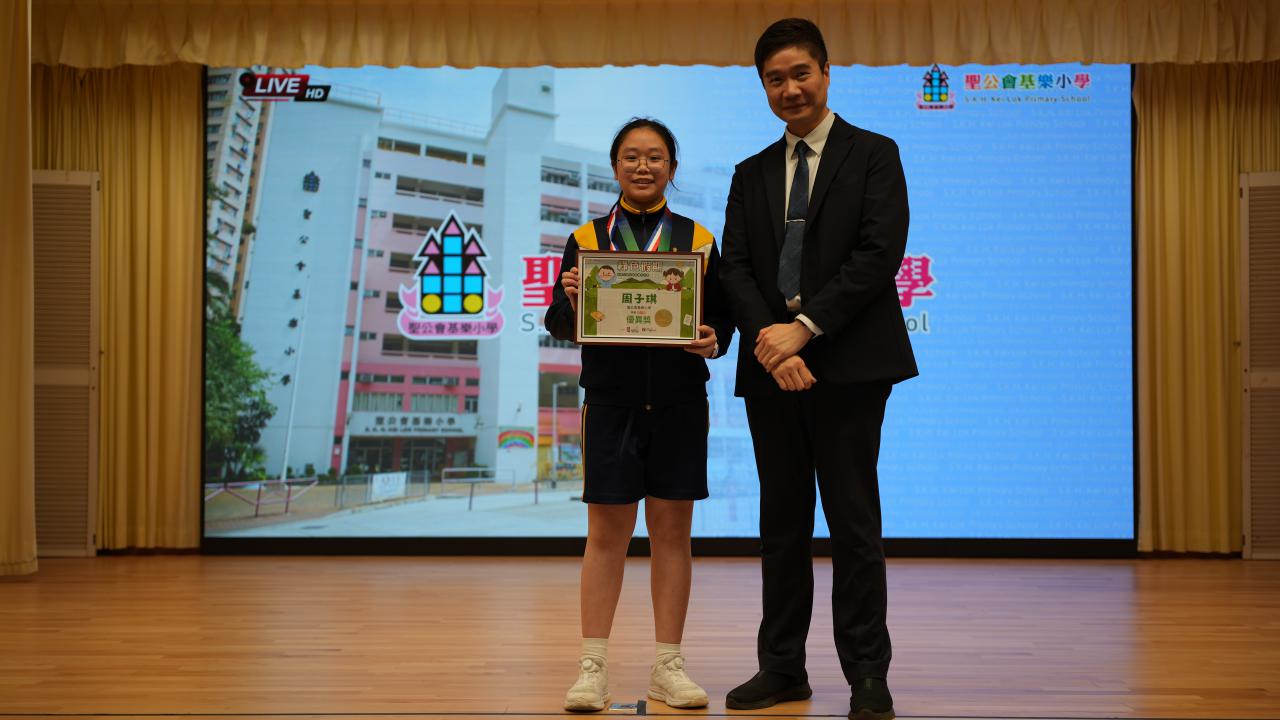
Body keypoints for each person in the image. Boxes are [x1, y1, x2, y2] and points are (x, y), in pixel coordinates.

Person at [718, 18, 917, 720]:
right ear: (764, 87)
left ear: (826, 74)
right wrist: (773, 346)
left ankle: (867, 674)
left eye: (800, 74)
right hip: (772, 369)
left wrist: (802, 331)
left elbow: (878, 254)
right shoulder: (749, 173)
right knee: (782, 523)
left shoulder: (874, 154)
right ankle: (782, 668)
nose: (790, 89)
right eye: (775, 79)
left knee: (853, 523)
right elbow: (735, 268)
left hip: (851, 365)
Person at [544, 117, 735, 713]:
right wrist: (572, 300)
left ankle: (667, 666)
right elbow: (558, 324)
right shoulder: (586, 237)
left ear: (671, 168)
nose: (643, 166)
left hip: (680, 404)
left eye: (655, 157)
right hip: (611, 403)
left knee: (673, 536)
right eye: (631, 156)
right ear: (616, 166)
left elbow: (722, 318)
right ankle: (592, 668)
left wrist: (714, 339)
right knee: (606, 537)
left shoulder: (698, 238)